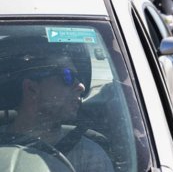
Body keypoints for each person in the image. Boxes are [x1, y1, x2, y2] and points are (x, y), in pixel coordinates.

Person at [0, 36, 114, 172]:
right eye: (68, 76)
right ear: (32, 88)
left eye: (79, 78)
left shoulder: (90, 157)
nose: (81, 86)